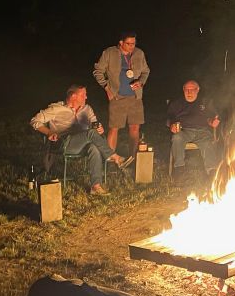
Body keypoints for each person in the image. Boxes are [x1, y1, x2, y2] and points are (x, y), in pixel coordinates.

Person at [30, 85, 124, 195]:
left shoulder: (87, 109)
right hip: (64, 143)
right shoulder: (56, 108)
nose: (86, 97)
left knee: (94, 147)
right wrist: (49, 132)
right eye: (83, 95)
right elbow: (34, 121)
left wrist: (99, 129)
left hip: (83, 142)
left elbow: (95, 126)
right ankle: (114, 157)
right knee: (90, 134)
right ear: (74, 96)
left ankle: (95, 186)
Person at [93, 31, 150, 161]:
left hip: (135, 97)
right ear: (121, 42)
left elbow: (146, 71)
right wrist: (107, 88)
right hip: (117, 96)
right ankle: (111, 158)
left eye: (133, 43)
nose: (131, 46)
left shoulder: (139, 53)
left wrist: (140, 82)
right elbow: (98, 71)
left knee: (135, 127)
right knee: (114, 127)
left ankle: (133, 157)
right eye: (128, 43)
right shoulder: (109, 53)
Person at [166, 80, 221, 179]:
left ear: (198, 90)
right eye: (187, 89)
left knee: (208, 142)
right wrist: (172, 125)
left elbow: (210, 118)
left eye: (192, 90)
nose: (189, 92)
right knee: (177, 138)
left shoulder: (205, 102)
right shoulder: (176, 103)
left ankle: (212, 171)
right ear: (183, 90)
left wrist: (212, 122)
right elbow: (169, 119)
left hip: (202, 131)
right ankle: (179, 169)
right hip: (184, 131)